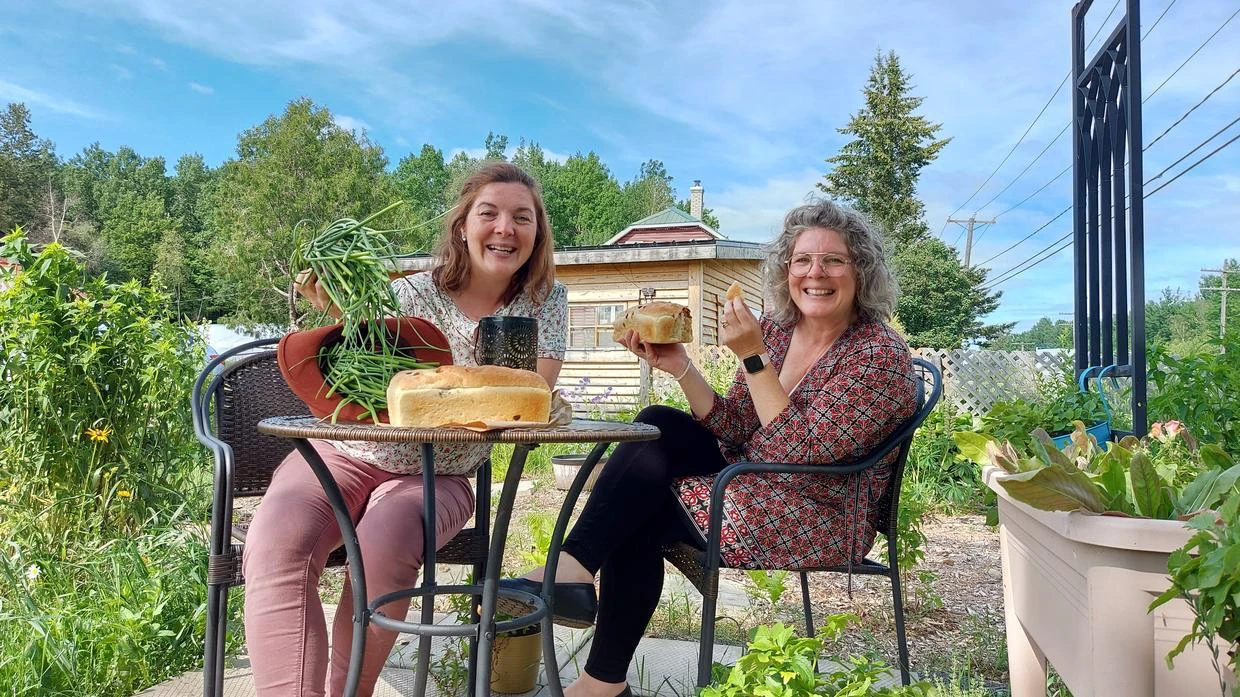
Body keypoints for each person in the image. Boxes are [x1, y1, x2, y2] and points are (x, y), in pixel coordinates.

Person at [502, 198, 918, 697]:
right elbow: (738, 425)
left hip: (818, 511)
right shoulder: (781, 332)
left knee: (641, 508)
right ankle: (579, 590)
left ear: (861, 272)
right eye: (802, 260)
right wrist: (679, 365)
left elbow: (799, 452)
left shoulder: (877, 353)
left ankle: (598, 670)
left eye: (834, 260)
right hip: (757, 481)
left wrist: (752, 356)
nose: (815, 273)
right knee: (658, 423)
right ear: (787, 269)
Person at [243, 161, 567, 697]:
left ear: (537, 233)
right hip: (343, 452)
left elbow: (527, 403)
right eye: (489, 213)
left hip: (438, 473)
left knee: (383, 545)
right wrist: (336, 310)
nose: (505, 228)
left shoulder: (544, 302)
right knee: (276, 543)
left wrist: (539, 403)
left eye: (522, 217)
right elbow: (353, 371)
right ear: (463, 225)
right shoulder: (408, 292)